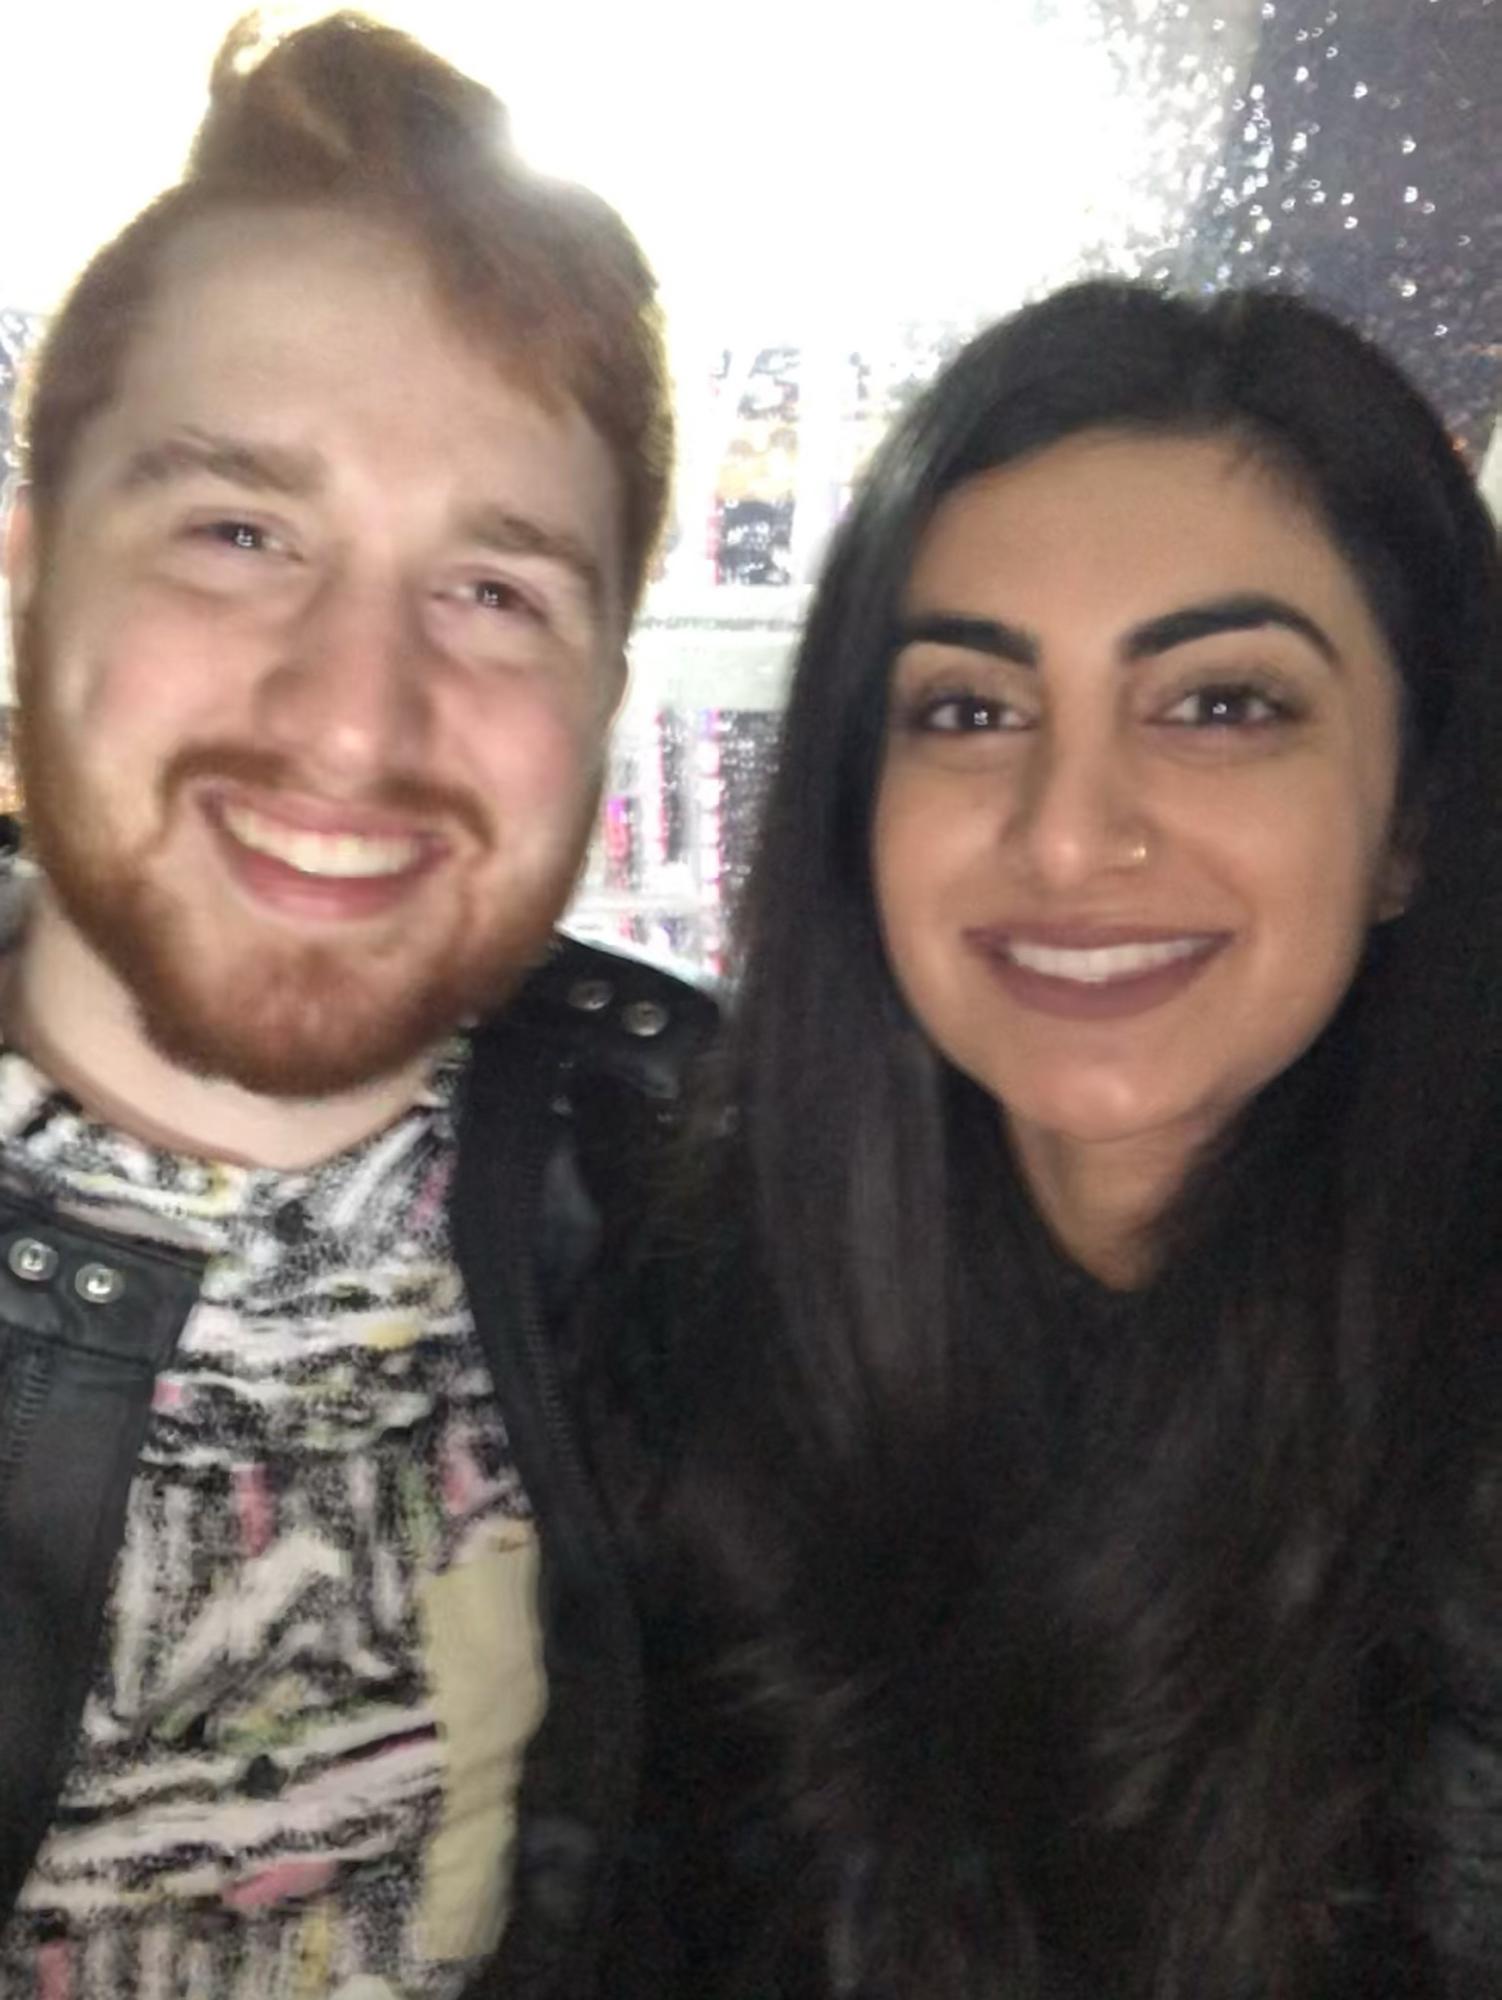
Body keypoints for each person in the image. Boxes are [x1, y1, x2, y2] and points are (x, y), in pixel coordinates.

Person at [597, 281, 1502, 1998]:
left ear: (1412, 822)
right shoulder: (681, 1325)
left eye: (1220, 704)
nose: (1069, 837)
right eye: (968, 709)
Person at [0, 13, 713, 1998]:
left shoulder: (729, 1223)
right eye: (239, 532)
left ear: (606, 687)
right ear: (27, 581)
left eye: (495, 590)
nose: (349, 716)